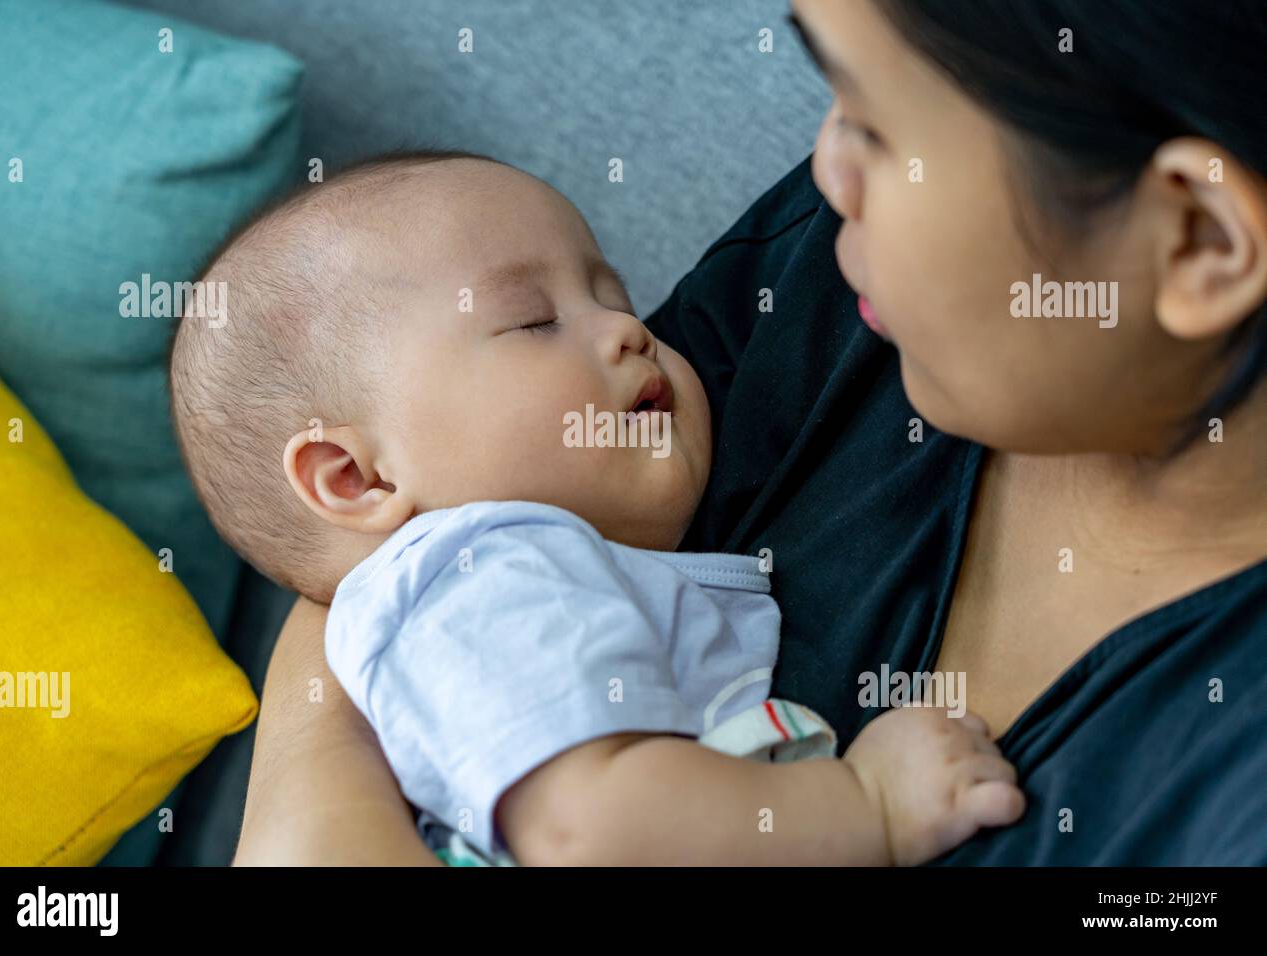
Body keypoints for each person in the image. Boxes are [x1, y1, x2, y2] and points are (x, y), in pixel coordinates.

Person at [235, 0, 1267, 865]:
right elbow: (420, 517)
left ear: (1197, 241)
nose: (824, 173)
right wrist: (307, 805)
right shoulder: (843, 286)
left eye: (875, 126)